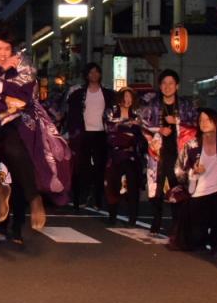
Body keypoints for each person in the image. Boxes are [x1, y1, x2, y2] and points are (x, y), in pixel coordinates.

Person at [0, 21, 71, 244]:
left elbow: (23, 91)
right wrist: (1, 70)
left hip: (17, 119)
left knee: (16, 152)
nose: (3, 54)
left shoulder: (23, 60)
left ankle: (34, 200)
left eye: (7, 49)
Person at [171, 108, 217, 254]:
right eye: (201, 120)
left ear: (216, 122)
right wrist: (193, 172)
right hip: (198, 193)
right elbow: (178, 169)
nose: (204, 123)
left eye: (208, 120)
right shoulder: (191, 145)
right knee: (195, 239)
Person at [138, 69, 196, 235]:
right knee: (155, 187)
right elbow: (142, 124)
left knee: (177, 187)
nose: (167, 86)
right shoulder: (152, 104)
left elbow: (195, 124)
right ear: (160, 85)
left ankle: (176, 223)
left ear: (177, 86)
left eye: (171, 83)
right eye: (164, 83)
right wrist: (159, 130)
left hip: (179, 153)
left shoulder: (185, 105)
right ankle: (156, 220)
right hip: (158, 152)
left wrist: (177, 121)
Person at [65, 62, 115, 210]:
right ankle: (81, 197)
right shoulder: (78, 93)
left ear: (100, 74)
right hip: (83, 134)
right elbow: (71, 114)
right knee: (82, 167)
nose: (94, 75)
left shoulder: (107, 93)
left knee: (100, 167)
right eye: (91, 72)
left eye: (96, 72)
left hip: (101, 134)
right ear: (86, 75)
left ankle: (98, 199)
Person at [104, 87, 143, 225]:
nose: (127, 99)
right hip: (115, 154)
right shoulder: (111, 112)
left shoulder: (137, 116)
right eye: (125, 96)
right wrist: (127, 125)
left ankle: (132, 218)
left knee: (132, 186)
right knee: (113, 184)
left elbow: (140, 135)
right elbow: (109, 129)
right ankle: (112, 215)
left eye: (130, 97)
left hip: (131, 155)